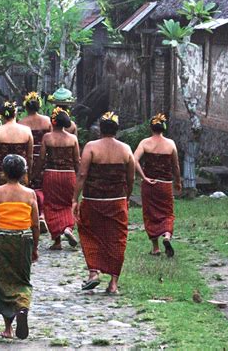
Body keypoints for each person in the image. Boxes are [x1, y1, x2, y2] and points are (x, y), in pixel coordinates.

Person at [72, 112, 135, 294]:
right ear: (117, 129)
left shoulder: (91, 147)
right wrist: (126, 197)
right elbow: (130, 179)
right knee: (117, 238)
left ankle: (93, 273)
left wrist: (75, 199)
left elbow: (82, 175)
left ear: (100, 129)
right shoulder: (126, 149)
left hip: (93, 200)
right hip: (117, 200)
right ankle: (113, 283)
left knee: (89, 233)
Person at [0, 154, 39, 340]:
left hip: (2, 239)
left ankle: (8, 328)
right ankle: (23, 307)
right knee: (22, 279)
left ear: (4, 173)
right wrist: (35, 247)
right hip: (24, 239)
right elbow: (36, 224)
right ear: (24, 173)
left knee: (2, 282)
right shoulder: (30, 194)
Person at [134, 114, 181, 257]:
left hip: (149, 184)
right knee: (167, 213)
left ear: (151, 127)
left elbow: (134, 160)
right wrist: (178, 181)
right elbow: (176, 166)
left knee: (150, 213)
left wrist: (143, 177)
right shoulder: (171, 144)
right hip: (165, 184)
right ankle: (167, 235)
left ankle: (155, 248)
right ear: (164, 128)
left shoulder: (145, 143)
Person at [37, 107, 80, 250]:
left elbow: (42, 159)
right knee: (68, 204)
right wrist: (80, 178)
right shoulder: (73, 139)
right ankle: (68, 228)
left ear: (52, 122)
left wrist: (35, 174)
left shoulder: (47, 138)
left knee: (50, 205)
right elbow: (76, 161)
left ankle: (57, 240)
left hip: (51, 175)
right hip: (69, 175)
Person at [19, 92, 52, 232]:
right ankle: (42, 214)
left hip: (28, 156)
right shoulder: (47, 121)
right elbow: (51, 137)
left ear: (26, 107)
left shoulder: (22, 123)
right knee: (43, 187)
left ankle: (33, 214)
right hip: (44, 156)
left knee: (30, 186)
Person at [0, 102, 34, 192]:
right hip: (20, 173)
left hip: (1, 173)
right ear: (15, 114)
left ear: (2, 116)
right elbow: (30, 156)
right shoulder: (26, 130)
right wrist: (29, 173)